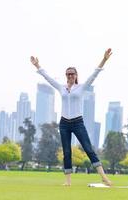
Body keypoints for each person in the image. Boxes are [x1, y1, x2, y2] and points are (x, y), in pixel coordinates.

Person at [30, 49, 113, 186]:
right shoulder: (61, 87)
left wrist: (104, 59)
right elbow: (48, 78)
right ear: (66, 75)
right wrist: (37, 66)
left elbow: (94, 74)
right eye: (68, 74)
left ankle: (104, 177)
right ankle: (67, 181)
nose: (70, 76)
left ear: (76, 75)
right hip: (64, 123)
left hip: (77, 122)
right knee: (67, 152)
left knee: (88, 148)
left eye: (72, 74)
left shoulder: (81, 87)